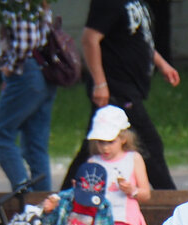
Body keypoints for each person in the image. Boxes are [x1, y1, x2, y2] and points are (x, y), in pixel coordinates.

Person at [63, 0, 180, 191]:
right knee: (148, 144)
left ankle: (64, 197)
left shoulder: (137, 2)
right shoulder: (109, 3)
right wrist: (100, 83)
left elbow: (139, 38)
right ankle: (172, 202)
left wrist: (161, 64)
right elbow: (89, 40)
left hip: (130, 88)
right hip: (115, 88)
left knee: (94, 145)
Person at [0, 1, 56, 192]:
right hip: (44, 69)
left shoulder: (18, 2)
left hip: (26, 70)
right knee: (35, 145)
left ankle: (24, 193)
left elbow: (25, 42)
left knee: (0, 135)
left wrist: (9, 68)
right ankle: (43, 202)